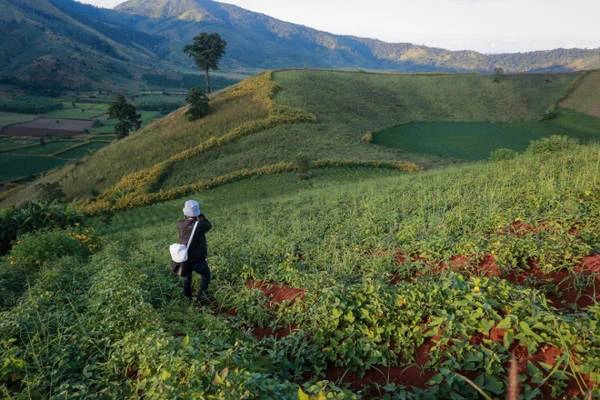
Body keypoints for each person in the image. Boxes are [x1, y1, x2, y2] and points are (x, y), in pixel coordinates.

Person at [172, 200, 212, 302]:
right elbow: (208, 225)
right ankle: (201, 297)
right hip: (198, 259)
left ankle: (187, 297)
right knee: (206, 275)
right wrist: (201, 216)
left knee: (187, 278)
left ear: (185, 213)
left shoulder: (180, 224)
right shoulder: (201, 225)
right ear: (197, 213)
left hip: (185, 258)